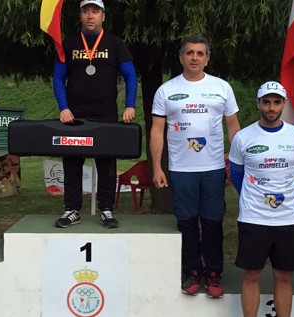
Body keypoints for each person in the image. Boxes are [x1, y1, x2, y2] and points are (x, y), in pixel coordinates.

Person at [150, 35, 240, 298]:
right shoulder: (166, 90)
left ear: (207, 59)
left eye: (200, 53)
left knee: (212, 223)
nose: (194, 58)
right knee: (187, 224)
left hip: (212, 168)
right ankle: (191, 272)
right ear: (181, 57)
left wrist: (235, 164)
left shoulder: (222, 87)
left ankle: (213, 273)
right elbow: (157, 131)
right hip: (181, 169)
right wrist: (157, 167)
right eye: (189, 53)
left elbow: (233, 127)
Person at [53, 0, 137, 229]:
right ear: (80, 15)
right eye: (86, 11)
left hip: (105, 114)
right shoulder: (68, 43)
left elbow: (130, 75)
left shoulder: (115, 44)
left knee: (106, 163)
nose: (90, 16)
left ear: (103, 16)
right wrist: (63, 107)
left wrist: (129, 105)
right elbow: (58, 78)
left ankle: (106, 209)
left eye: (95, 11)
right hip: (74, 115)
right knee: (71, 161)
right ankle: (72, 209)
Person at [229, 81, 294, 317]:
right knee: (252, 275)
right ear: (258, 103)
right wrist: (256, 200)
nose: (271, 108)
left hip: (287, 219)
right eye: (266, 102)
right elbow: (237, 177)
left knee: (284, 277)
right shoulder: (243, 137)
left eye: (276, 102)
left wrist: (282, 199)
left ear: (283, 104)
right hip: (254, 219)